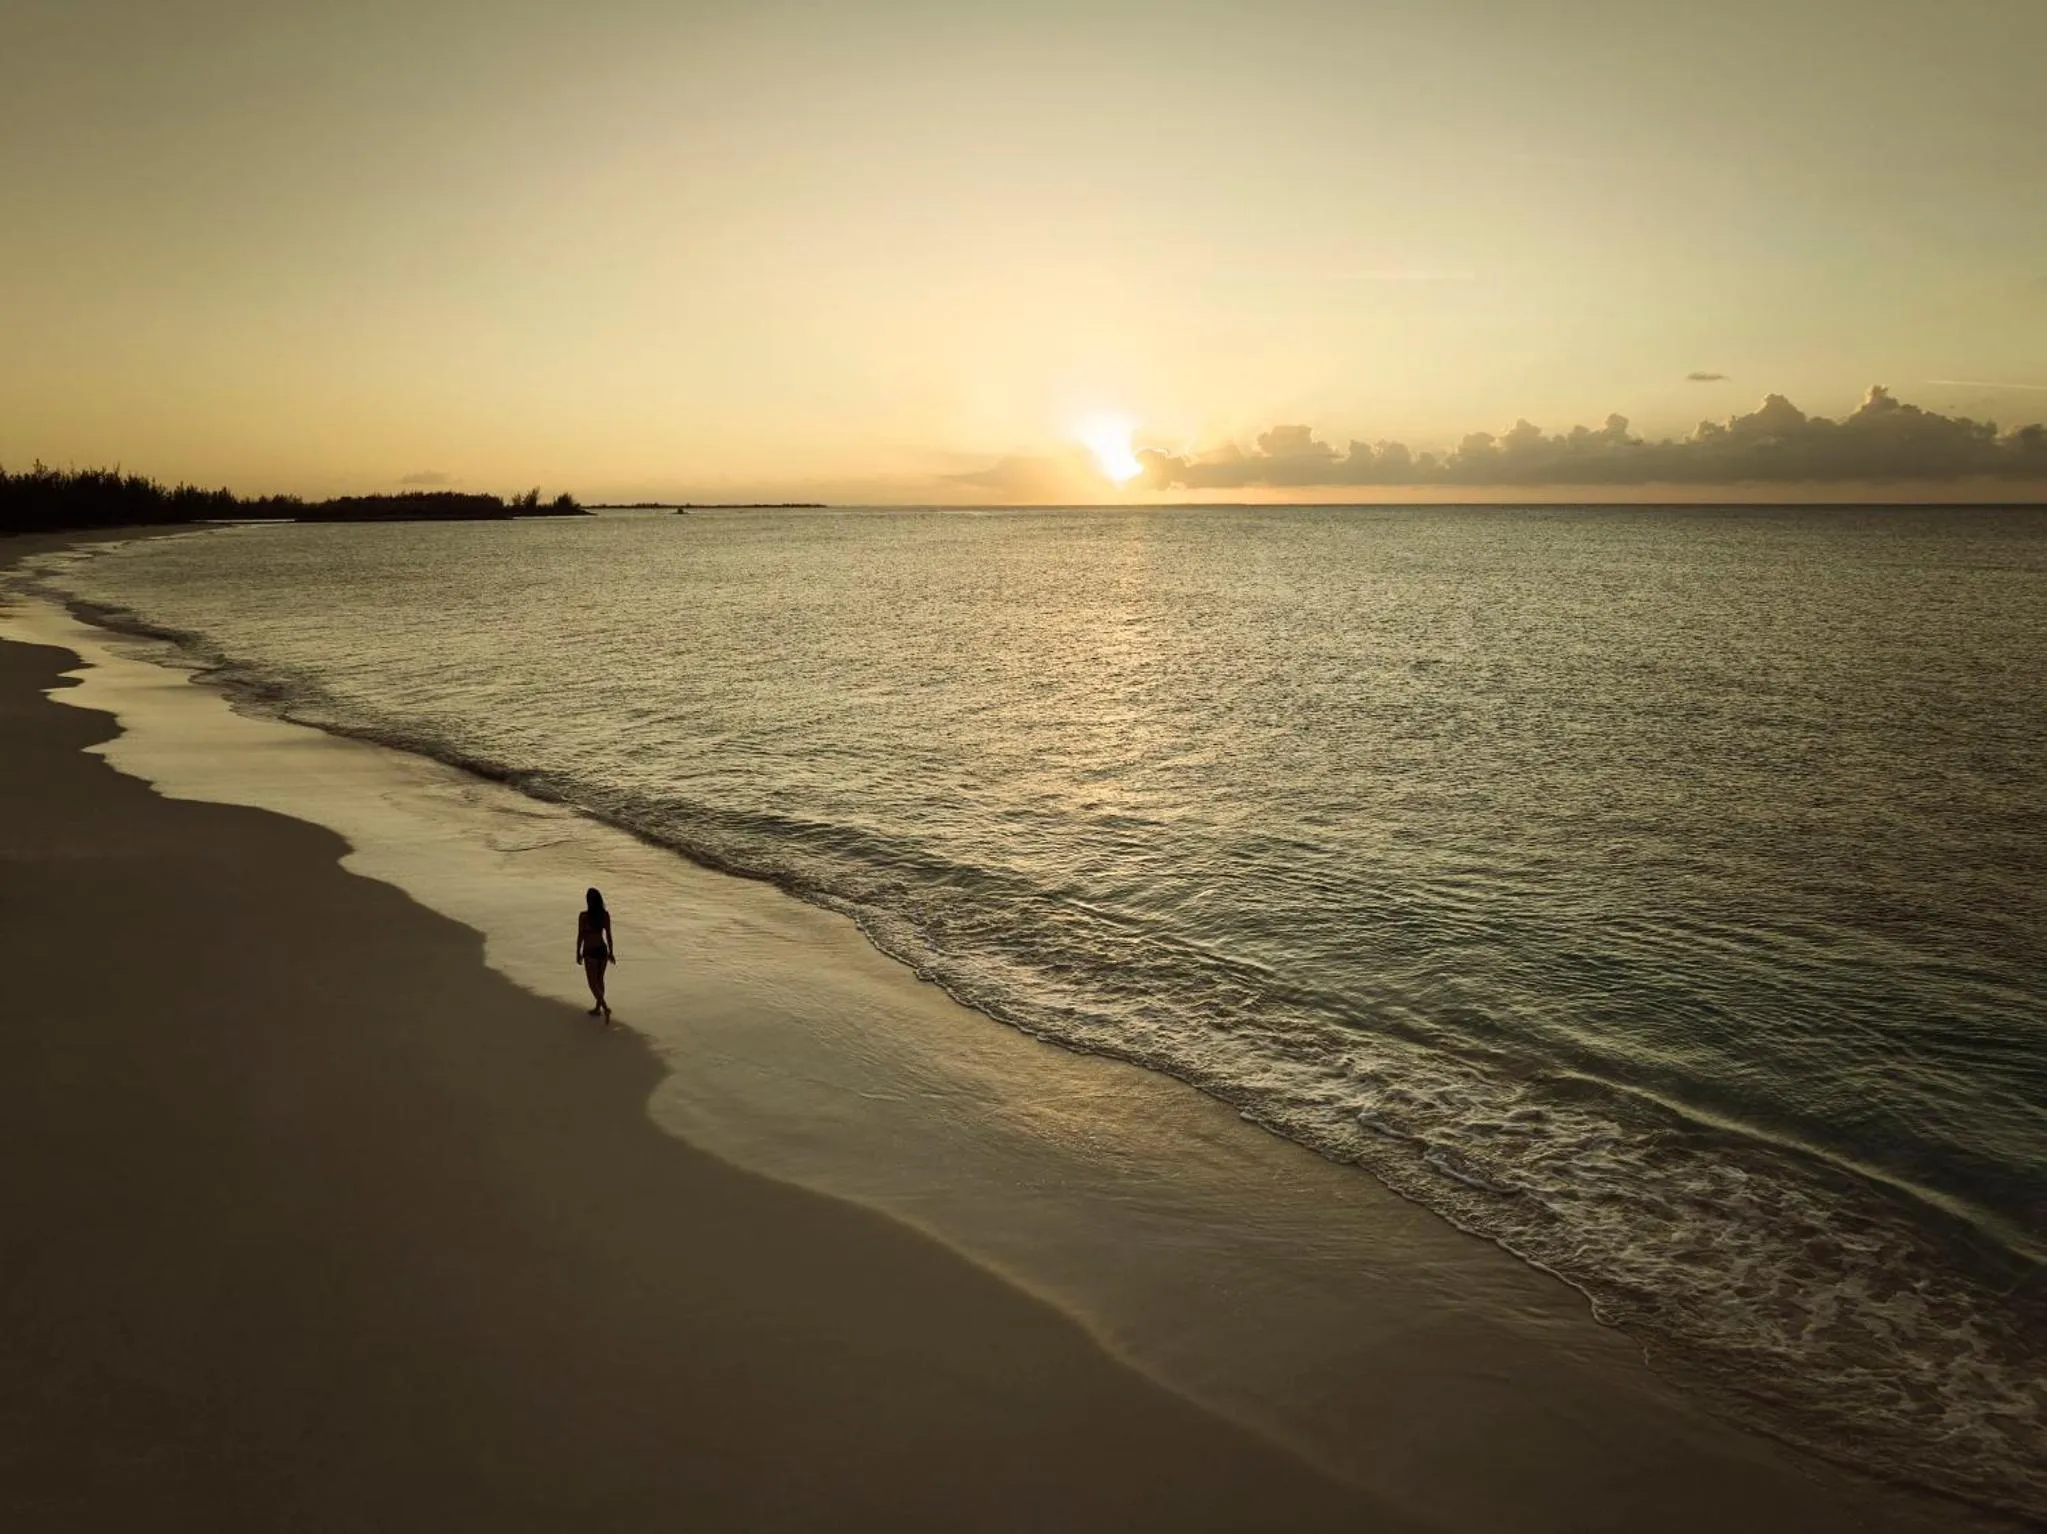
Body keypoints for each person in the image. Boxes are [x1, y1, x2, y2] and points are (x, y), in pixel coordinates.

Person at [576, 887, 615, 1020]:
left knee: (592, 983)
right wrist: (611, 952)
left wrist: (578, 953)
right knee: (599, 980)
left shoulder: (583, 916)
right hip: (602, 950)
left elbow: (580, 936)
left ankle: (604, 1007)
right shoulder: (604, 915)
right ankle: (598, 1008)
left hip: (590, 951)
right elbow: (609, 935)